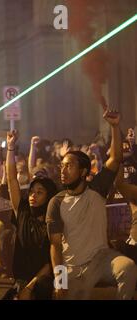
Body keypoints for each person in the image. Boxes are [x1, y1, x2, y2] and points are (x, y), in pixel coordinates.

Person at [47, 107, 137, 300]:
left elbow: (115, 159)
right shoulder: (56, 202)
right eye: (61, 166)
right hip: (73, 266)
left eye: (69, 166)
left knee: (128, 268)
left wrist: (114, 126)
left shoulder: (97, 189)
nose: (63, 170)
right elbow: (55, 245)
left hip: (102, 258)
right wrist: (59, 279)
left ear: (83, 172)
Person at [6, 130, 57, 299]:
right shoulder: (23, 213)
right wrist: (11, 148)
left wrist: (30, 287)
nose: (33, 196)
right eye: (32, 192)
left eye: (39, 192)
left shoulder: (53, 222)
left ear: (48, 196)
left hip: (45, 280)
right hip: (21, 278)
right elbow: (12, 179)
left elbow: (52, 262)